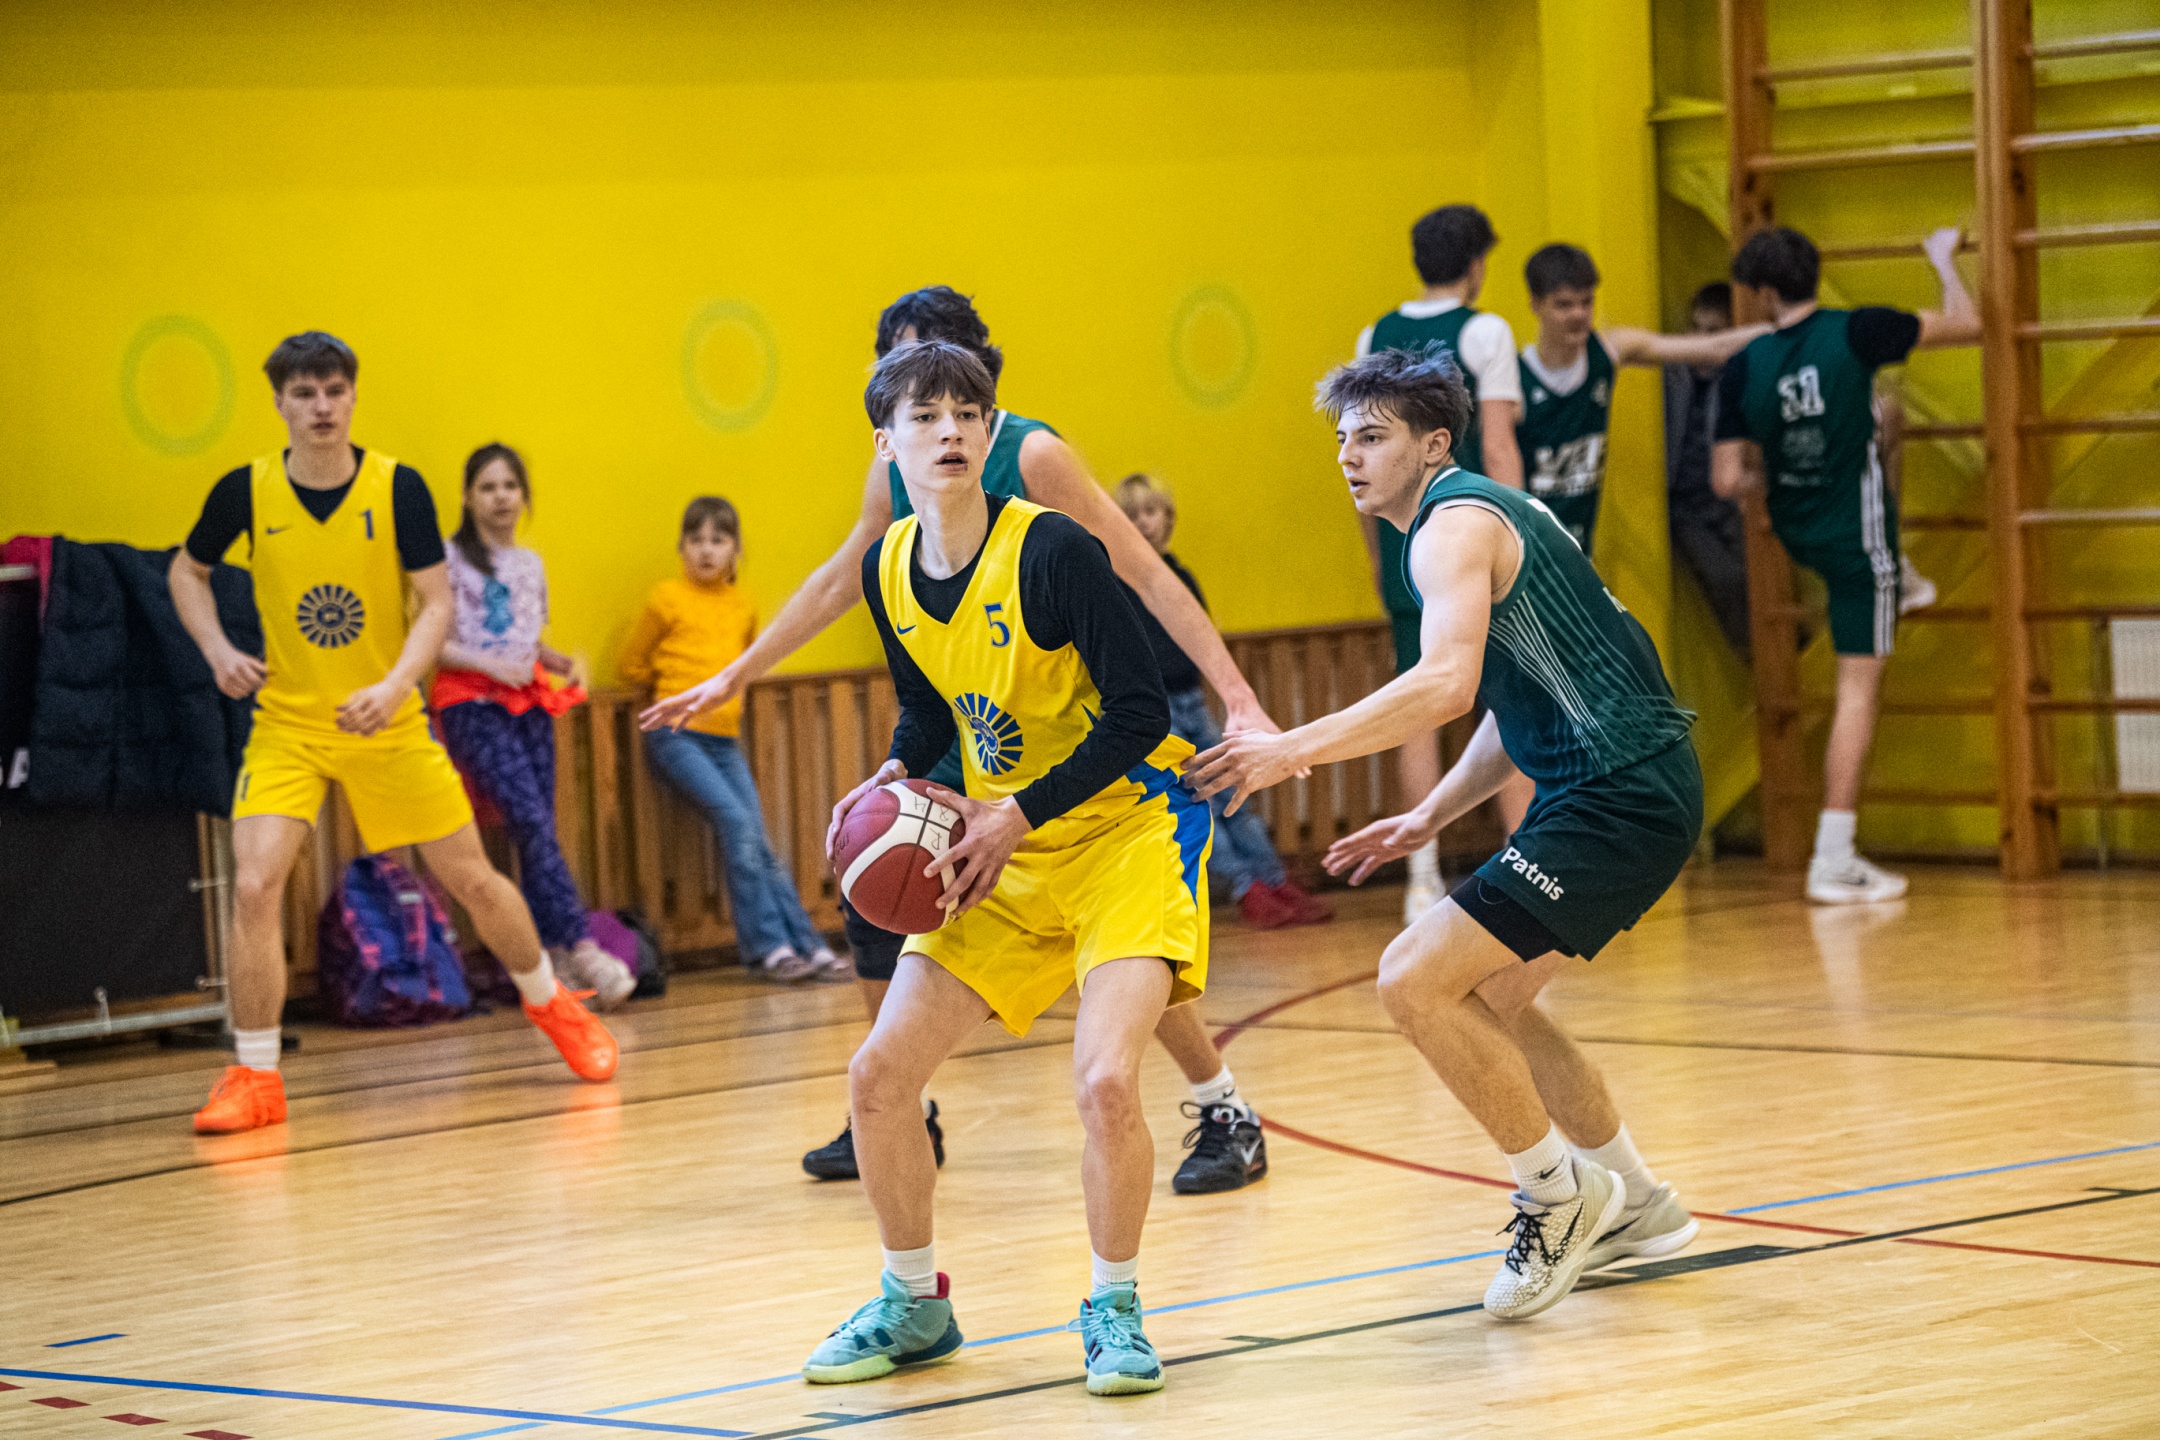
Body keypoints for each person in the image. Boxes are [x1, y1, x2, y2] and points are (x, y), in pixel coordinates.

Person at [642, 288, 1268, 1196]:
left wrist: (1237, 695)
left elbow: (1142, 568)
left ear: (979, 383)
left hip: (1077, 732)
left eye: (948, 386)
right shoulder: (894, 476)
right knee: (878, 884)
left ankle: (1219, 1101)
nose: (935, 412)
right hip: (972, 716)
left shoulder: (1033, 455)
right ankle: (901, 1100)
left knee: (1114, 949)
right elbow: (843, 577)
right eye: (901, 375)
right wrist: (737, 674)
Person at [1188, 342, 1703, 1322]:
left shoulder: (1449, 529)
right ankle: (1638, 1202)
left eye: (1372, 437)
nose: (1349, 456)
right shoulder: (1481, 516)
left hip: (1619, 794)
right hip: (1619, 786)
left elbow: (1444, 687)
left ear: (1432, 444)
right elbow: (1516, 696)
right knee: (1487, 997)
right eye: (1343, 439)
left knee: (1412, 978)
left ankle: (1556, 1196)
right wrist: (1432, 813)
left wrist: (1289, 750)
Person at [804, 340, 1207, 1397]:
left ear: (990, 432)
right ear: (885, 443)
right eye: (926, 415)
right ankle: (914, 1305)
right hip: (1002, 852)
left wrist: (1015, 814)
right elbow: (930, 707)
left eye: (968, 414)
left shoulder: (1054, 552)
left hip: (1122, 839)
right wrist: (893, 772)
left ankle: (1114, 1309)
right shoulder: (887, 565)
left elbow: (1142, 713)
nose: (950, 430)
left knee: (1106, 1081)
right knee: (878, 1078)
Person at [169, 332, 618, 1134]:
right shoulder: (246, 491)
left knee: (474, 879)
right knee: (254, 885)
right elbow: (186, 571)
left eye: (334, 391)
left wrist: (393, 684)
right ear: (279, 402)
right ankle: (255, 1076)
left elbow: (436, 605)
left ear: (351, 396)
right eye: (304, 393)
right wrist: (217, 651)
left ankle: (553, 1003)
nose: (321, 407)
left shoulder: (396, 487)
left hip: (388, 718)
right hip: (289, 723)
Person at [1712, 226, 1978, 905]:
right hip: (1859, 540)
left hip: (1798, 529)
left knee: (1887, 422)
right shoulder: (1858, 330)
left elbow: (1727, 479)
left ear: (1763, 293)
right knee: (1858, 691)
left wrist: (1777, 475)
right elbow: (1967, 323)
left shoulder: (1745, 362)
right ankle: (1834, 857)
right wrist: (1942, 259)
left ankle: (1902, 575)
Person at [1356, 204, 1528, 919]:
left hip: (1405, 544)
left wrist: (1376, 552)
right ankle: (1522, 863)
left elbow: (1362, 457)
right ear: (1477, 264)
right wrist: (1521, 539)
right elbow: (1500, 447)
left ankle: (1421, 878)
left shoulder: (1374, 336)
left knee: (1417, 706)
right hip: (1473, 538)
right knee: (1512, 704)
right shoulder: (1485, 332)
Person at [431, 442, 635, 1009]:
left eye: (510, 486)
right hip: (472, 704)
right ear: (468, 497)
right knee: (527, 818)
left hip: (529, 703)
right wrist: (491, 667)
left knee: (536, 828)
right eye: (488, 487)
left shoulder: (529, 564)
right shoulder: (448, 559)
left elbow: (526, 641)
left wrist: (564, 662)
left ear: (524, 496)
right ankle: (582, 945)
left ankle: (556, 956)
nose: (501, 497)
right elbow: (436, 643)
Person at [620, 497, 844, 981]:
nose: (706, 549)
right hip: (675, 736)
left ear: (735, 549)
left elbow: (744, 668)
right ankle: (769, 950)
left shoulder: (742, 606)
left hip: (724, 741)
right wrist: (669, 691)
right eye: (696, 539)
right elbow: (631, 665)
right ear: (681, 546)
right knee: (737, 823)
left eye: (718, 540)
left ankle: (809, 948)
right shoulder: (666, 598)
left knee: (757, 837)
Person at [1114, 473, 1330, 930]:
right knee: (1200, 801)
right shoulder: (1119, 585)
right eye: (1130, 515)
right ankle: (1246, 888)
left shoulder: (1180, 577)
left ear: (1168, 518)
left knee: (1235, 791)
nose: (1143, 523)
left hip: (1192, 700)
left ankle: (1273, 879)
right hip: (1158, 711)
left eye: (1150, 511)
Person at [1515, 244, 1768, 556]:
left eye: (1586, 302)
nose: (1578, 314)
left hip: (1576, 550)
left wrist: (1779, 328)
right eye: (1564, 305)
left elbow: (1712, 349)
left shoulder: (1608, 350)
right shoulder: (1512, 380)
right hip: (1525, 552)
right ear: (1536, 304)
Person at [1663, 282, 1755, 654]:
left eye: (1713, 332)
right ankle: (1751, 655)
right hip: (1685, 503)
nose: (1701, 342)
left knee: (1761, 571)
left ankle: (1794, 648)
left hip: (1726, 497)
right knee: (1725, 576)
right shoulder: (1672, 376)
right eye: (1696, 329)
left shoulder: (1738, 377)